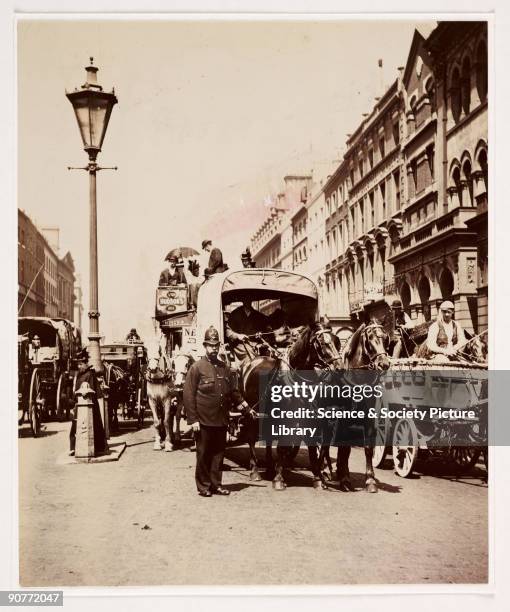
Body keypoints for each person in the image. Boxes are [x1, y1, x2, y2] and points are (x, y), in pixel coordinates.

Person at [183, 326, 250, 497]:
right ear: (205, 346)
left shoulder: (224, 367)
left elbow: (232, 391)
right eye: (210, 345)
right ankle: (204, 486)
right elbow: (188, 395)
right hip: (203, 420)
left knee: (219, 455)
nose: (213, 348)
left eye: (216, 345)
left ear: (219, 346)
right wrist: (193, 420)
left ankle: (216, 484)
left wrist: (244, 405)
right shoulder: (197, 368)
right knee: (204, 454)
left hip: (221, 419)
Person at [69, 348, 107, 456]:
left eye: (81, 364)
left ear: (86, 364)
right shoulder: (79, 375)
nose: (79, 366)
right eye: (78, 364)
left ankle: (95, 447)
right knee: (75, 425)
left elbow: (94, 392)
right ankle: (74, 447)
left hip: (89, 406)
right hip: (79, 405)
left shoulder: (90, 374)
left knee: (92, 426)